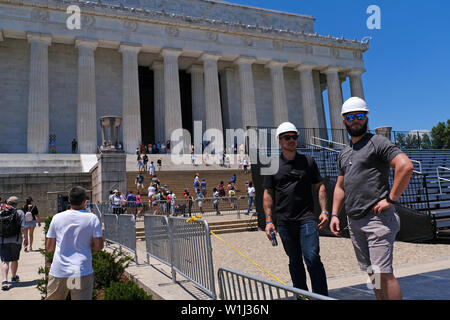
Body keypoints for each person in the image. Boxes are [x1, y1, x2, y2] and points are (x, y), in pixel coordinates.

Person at [330, 97, 414, 300]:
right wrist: (334, 214)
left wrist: (391, 199)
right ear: (344, 121)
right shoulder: (344, 153)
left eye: (359, 116)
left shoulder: (377, 142)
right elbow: (340, 186)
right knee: (372, 273)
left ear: (366, 118)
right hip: (354, 220)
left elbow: (406, 166)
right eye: (350, 117)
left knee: (383, 274)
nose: (355, 120)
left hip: (377, 219)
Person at [263, 121, 330, 297]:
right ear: (280, 141)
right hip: (284, 221)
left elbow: (320, 186)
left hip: (306, 218)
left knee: (312, 258)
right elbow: (268, 194)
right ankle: (302, 296)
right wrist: (269, 221)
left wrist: (324, 210)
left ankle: (321, 295)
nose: (291, 140)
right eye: (287, 137)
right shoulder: (273, 164)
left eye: (294, 137)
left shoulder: (308, 161)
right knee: (294, 261)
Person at [46, 186, 103, 300]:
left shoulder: (57, 218)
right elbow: (98, 246)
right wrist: (88, 245)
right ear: (85, 201)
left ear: (69, 200)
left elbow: (49, 247)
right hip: (80, 270)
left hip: (59, 270)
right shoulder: (92, 218)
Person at [0, 196, 26, 291]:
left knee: (5, 261)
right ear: (17, 203)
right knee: (14, 259)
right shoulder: (19, 212)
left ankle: (4, 281)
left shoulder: (1, 211)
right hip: (16, 240)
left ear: (7, 203)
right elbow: (23, 228)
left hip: (2, 240)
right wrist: (26, 239)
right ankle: (14, 277)